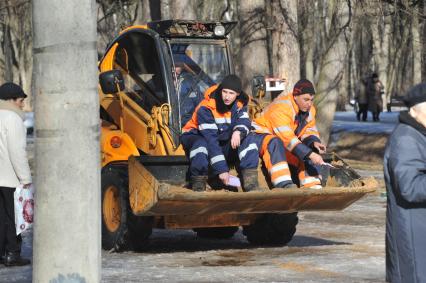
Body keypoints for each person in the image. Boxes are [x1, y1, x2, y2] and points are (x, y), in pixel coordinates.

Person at [181, 74, 261, 192]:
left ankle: (250, 183)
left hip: (221, 139)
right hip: (195, 136)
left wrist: (238, 132)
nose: (227, 97)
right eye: (225, 92)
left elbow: (244, 121)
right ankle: (199, 182)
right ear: (220, 90)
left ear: (237, 95)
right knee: (201, 145)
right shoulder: (206, 107)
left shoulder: (239, 104)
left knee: (249, 139)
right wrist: (222, 170)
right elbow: (211, 140)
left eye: (231, 93)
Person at [384, 83, 426, 283]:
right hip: (414, 240)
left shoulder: (419, 135)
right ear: (417, 110)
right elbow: (409, 187)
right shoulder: (406, 139)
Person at [253, 79, 326, 189]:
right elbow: (287, 139)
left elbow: (308, 129)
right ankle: (283, 184)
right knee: (276, 143)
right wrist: (310, 154)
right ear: (295, 96)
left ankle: (312, 184)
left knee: (308, 148)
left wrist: (313, 142)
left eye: (311, 100)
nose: (309, 104)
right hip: (259, 136)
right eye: (306, 99)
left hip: (281, 140)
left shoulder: (310, 110)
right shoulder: (281, 108)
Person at [0, 82, 32, 266]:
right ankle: (12, 253)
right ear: (10, 100)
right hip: (10, 178)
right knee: (13, 217)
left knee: (1, 216)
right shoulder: (13, 118)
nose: (22, 104)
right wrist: (26, 179)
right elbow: (17, 152)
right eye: (20, 100)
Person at [174, 62, 204, 128]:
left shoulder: (191, 83)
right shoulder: (157, 84)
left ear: (182, 67)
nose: (174, 68)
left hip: (187, 124)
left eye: (177, 65)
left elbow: (200, 105)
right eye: (172, 65)